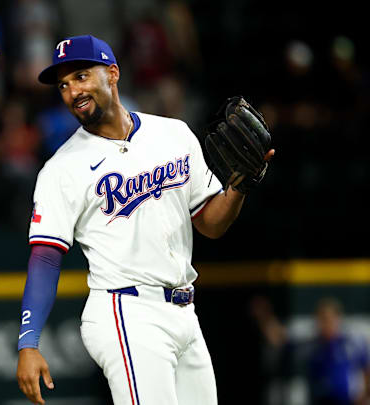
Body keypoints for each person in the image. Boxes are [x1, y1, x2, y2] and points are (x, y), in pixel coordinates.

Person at [15, 35, 274, 405]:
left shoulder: (173, 134)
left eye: (82, 76)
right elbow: (45, 256)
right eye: (64, 84)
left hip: (185, 313)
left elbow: (211, 223)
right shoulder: (62, 169)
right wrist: (29, 342)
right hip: (125, 312)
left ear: (113, 74)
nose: (73, 91)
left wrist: (242, 186)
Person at [251, 296, 370, 405]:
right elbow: (278, 337)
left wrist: (363, 397)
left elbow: (366, 371)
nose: (326, 323)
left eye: (329, 318)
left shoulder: (351, 344)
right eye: (322, 318)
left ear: (338, 318)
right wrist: (264, 317)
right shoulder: (310, 344)